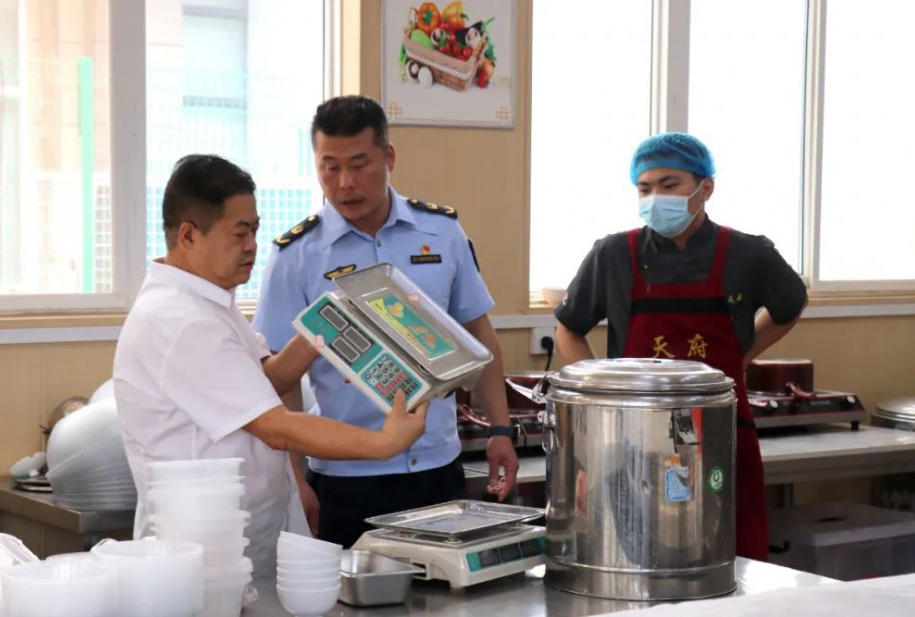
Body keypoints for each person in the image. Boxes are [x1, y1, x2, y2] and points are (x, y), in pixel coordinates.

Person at [113, 154, 428, 577]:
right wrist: (383, 443)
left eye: (255, 231)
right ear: (188, 235)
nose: (252, 246)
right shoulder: (181, 320)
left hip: (242, 537)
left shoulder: (209, 302)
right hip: (203, 553)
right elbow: (276, 427)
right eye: (239, 233)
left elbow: (269, 378)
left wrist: (329, 323)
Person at [253, 95, 519, 548]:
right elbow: (281, 382)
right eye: (329, 168)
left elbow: (479, 334)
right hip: (345, 476)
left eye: (359, 165)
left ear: (389, 157)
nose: (345, 183)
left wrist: (500, 429)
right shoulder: (296, 254)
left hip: (436, 468)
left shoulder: (441, 233)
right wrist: (293, 479)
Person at [553, 132, 808, 560]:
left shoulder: (748, 253)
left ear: (705, 188)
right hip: (637, 439)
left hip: (721, 434)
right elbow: (568, 329)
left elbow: (790, 305)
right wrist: (606, 392)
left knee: (730, 554)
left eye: (669, 185)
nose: (656, 197)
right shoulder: (614, 254)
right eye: (644, 188)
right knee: (644, 552)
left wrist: (741, 356)